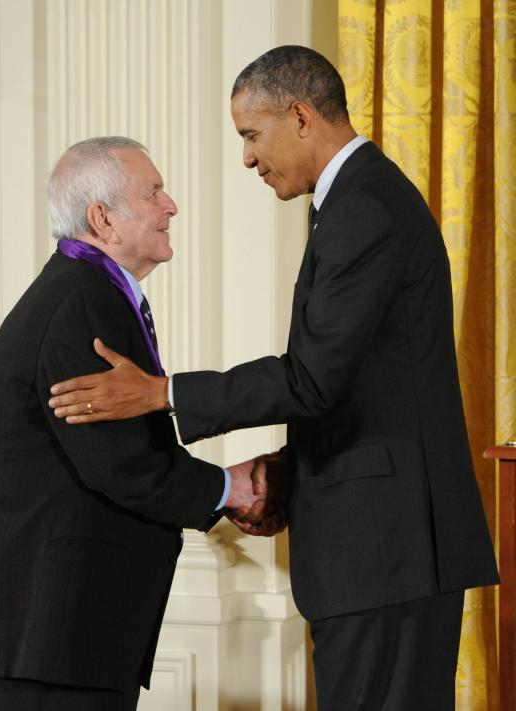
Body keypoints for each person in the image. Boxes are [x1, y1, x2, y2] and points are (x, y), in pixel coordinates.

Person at [47, 48, 500, 710]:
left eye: (251, 135)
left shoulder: (365, 208)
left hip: (385, 555)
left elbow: (312, 377)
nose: (248, 159)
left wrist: (161, 391)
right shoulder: (357, 200)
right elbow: (369, 382)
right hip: (382, 552)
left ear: (299, 116)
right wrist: (295, 468)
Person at [0, 136, 266, 711]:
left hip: (65, 627)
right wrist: (230, 488)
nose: (171, 205)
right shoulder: (82, 301)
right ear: (102, 218)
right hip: (59, 628)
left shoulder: (84, 291)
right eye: (153, 192)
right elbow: (118, 463)